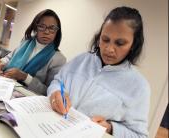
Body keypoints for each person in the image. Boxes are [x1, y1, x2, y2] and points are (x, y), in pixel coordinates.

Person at [47, 6, 150, 138]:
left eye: (120, 43)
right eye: (105, 39)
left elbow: (140, 135)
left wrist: (111, 128)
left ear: (133, 45)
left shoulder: (139, 86)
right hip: (52, 129)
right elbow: (58, 81)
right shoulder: (81, 60)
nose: (109, 49)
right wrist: (56, 92)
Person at [0, 9, 66, 95]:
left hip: (26, 98)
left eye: (52, 28)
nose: (47, 32)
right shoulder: (25, 42)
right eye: (42, 26)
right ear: (35, 27)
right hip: (3, 85)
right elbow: (9, 57)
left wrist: (25, 77)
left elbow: (49, 91)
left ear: (57, 31)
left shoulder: (59, 60)